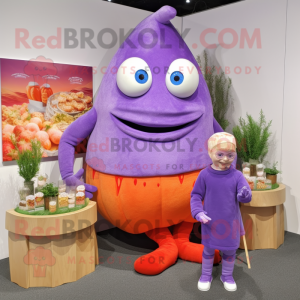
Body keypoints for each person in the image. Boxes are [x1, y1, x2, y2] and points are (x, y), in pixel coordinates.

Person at [190, 132, 252, 292]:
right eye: (220, 154)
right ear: (210, 152)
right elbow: (196, 195)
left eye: (230, 155)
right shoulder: (204, 175)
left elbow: (245, 195)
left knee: (230, 251)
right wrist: (197, 212)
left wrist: (244, 194)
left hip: (231, 223)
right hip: (210, 222)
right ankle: (205, 275)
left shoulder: (237, 176)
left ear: (235, 154)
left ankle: (227, 275)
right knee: (209, 250)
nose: (225, 159)